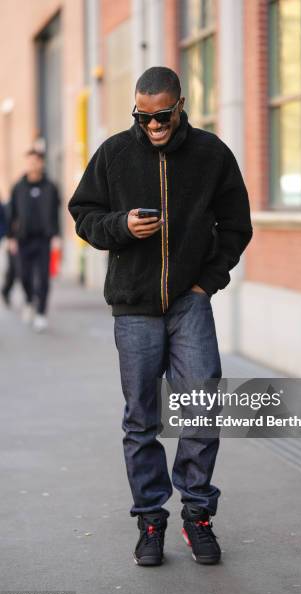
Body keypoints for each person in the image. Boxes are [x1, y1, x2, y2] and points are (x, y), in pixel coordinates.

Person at [68, 66, 252, 567]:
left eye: (162, 115)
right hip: (134, 306)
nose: (152, 126)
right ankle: (151, 518)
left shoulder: (211, 154)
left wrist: (205, 282)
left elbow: (237, 225)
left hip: (189, 303)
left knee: (201, 406)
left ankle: (197, 512)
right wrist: (120, 226)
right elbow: (83, 214)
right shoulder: (113, 153)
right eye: (143, 116)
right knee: (141, 419)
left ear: (181, 105)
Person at [7, 149, 61, 331]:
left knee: (43, 278)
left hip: (44, 239)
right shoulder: (18, 187)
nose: (33, 165)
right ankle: (29, 301)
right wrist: (10, 238)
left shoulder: (51, 187)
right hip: (22, 239)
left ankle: (41, 313)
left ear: (41, 163)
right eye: (30, 161)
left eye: (36, 161)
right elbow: (11, 214)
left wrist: (56, 236)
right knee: (23, 276)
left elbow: (56, 214)